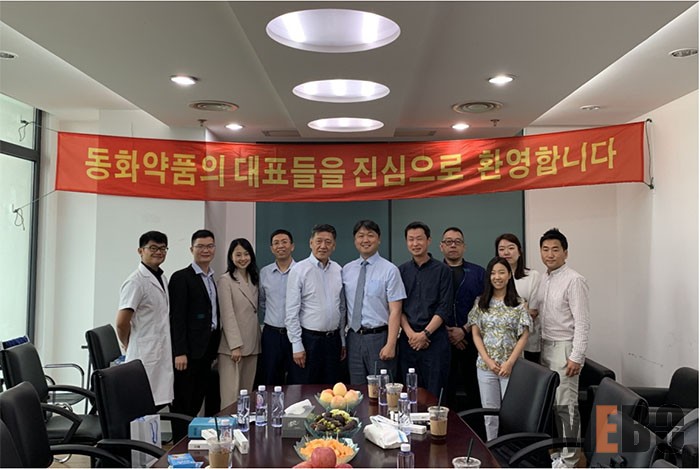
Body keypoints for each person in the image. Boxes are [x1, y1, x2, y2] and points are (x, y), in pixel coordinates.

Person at [530, 228, 590, 468]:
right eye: (545, 249)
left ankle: (571, 459)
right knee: (555, 405)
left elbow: (582, 322)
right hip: (545, 346)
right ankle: (562, 453)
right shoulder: (544, 279)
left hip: (565, 348)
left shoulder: (574, 280)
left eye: (555, 249)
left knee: (567, 406)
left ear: (565, 252)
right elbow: (538, 312)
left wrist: (576, 356)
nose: (550, 254)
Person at [468, 256, 531, 440]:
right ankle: (492, 449)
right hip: (486, 367)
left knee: (513, 413)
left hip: (511, 367)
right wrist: (488, 360)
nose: (497, 277)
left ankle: (513, 449)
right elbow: (476, 334)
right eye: (493, 273)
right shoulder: (480, 302)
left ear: (509, 275)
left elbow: (524, 335)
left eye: (502, 272)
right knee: (490, 414)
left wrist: (509, 363)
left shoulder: (519, 303)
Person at [168, 229, 220, 440]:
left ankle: (192, 443)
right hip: (187, 354)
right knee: (184, 403)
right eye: (200, 246)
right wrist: (179, 351)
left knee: (197, 399)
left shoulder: (211, 277)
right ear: (192, 249)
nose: (205, 250)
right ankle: (179, 444)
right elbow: (177, 318)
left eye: (209, 246)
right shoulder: (181, 278)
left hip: (206, 351)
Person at [342, 220, 406, 384]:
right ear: (355, 240)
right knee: (356, 389)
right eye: (361, 236)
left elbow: (396, 310)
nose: (365, 240)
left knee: (382, 389)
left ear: (379, 239)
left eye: (370, 235)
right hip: (353, 338)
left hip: (379, 338)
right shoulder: (347, 270)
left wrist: (391, 344)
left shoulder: (390, 270)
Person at [116, 230, 174, 407]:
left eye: (163, 248)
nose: (159, 252)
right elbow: (121, 322)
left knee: (157, 403)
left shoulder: (162, 278)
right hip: (143, 352)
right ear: (140, 251)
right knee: (142, 405)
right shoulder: (135, 281)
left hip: (159, 349)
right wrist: (128, 343)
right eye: (153, 248)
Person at [285, 224, 346, 385]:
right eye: (319, 241)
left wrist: (342, 340)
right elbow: (291, 311)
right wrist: (296, 345)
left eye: (328, 242)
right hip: (309, 341)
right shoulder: (299, 270)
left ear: (334, 245)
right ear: (311, 243)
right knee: (306, 388)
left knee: (332, 389)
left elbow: (341, 308)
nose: (323, 246)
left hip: (333, 340)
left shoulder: (338, 270)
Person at [398, 221, 453, 398]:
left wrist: (425, 334)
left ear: (428, 240)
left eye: (419, 239)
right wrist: (411, 335)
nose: (415, 243)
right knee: (409, 394)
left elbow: (444, 307)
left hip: (435, 341)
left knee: (434, 395)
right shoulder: (401, 271)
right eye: (411, 239)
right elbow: (397, 307)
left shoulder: (443, 270)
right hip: (408, 342)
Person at [439, 226, 485, 412]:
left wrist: (464, 330)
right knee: (445, 391)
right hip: (441, 340)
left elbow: (484, 307)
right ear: (441, 246)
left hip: (473, 340)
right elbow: (430, 306)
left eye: (457, 242)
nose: (453, 245)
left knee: (474, 389)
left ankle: (476, 426)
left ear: (464, 247)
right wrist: (449, 332)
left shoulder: (479, 273)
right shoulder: (434, 271)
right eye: (448, 242)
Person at [217, 238, 261, 409]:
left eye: (246, 254)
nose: (243, 258)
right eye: (238, 255)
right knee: (231, 396)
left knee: (246, 394)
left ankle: (244, 425)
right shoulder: (226, 280)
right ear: (231, 257)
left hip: (253, 343)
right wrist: (235, 345)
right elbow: (227, 315)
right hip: (234, 347)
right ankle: (228, 425)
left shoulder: (254, 278)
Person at [495, 233, 541, 363]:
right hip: (501, 343)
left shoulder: (532, 276)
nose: (506, 252)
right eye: (501, 249)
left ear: (519, 251)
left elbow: (533, 312)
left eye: (511, 248)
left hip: (528, 342)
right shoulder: (494, 278)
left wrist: (504, 315)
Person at [258, 229, 296, 386]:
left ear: (292, 246)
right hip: (271, 335)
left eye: (284, 242)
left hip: (296, 335)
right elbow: (262, 302)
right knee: (270, 379)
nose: (280, 246)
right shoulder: (264, 273)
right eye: (276, 243)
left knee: (296, 378)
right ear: (271, 248)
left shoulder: (302, 271)